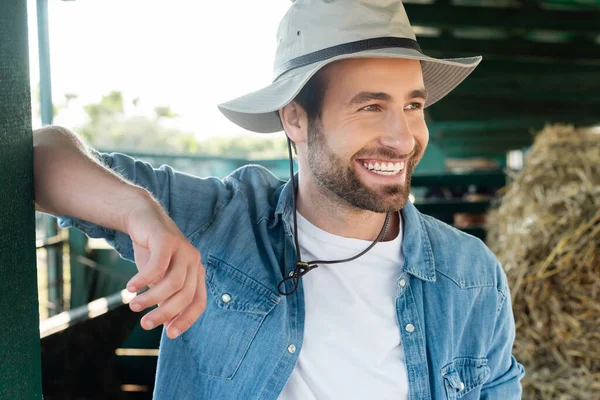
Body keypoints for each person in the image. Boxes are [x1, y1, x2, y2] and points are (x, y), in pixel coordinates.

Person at [33, 0, 525, 398]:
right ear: (295, 120)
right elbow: (38, 155)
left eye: (412, 105)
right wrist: (140, 211)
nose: (403, 138)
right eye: (371, 106)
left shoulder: (473, 276)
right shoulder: (218, 221)